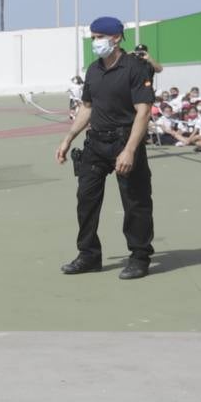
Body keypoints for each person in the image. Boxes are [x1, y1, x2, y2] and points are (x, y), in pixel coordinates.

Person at [55, 16, 155, 279]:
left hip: (125, 140)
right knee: (86, 200)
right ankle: (89, 255)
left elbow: (143, 112)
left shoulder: (135, 68)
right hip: (96, 143)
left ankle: (139, 256)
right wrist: (69, 137)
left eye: (99, 36)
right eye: (93, 36)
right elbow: (87, 107)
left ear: (116, 38)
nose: (95, 41)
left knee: (135, 201)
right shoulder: (93, 70)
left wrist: (130, 150)